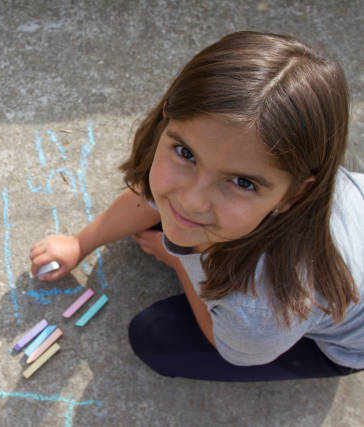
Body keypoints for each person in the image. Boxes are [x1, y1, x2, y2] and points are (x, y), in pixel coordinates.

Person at [29, 31, 364, 381]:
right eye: (186, 153)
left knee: (155, 337)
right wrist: (81, 243)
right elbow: (149, 194)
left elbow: (228, 347)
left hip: (344, 345)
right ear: (166, 121)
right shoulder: (253, 170)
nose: (190, 199)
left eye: (242, 182)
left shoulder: (264, 310)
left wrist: (180, 260)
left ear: (294, 194)